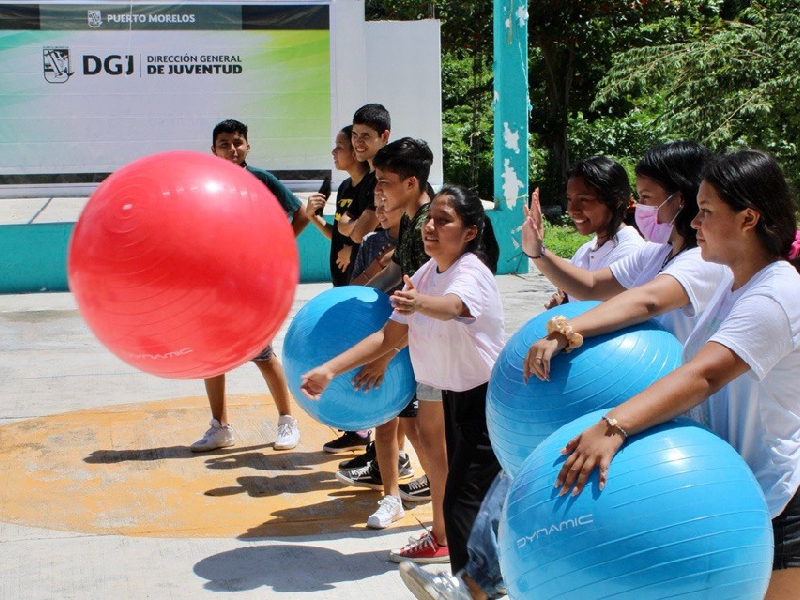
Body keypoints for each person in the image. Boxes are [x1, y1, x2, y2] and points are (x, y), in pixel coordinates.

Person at [398, 141, 728, 599]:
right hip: (621, 398)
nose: (644, 207)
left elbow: (645, 301)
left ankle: (481, 582)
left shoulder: (698, 263)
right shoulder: (657, 255)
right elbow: (592, 285)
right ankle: (476, 582)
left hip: (665, 407)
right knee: (522, 487)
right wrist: (537, 254)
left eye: (650, 198)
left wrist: (564, 330)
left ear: (685, 196)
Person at [550, 150, 800, 600]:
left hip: (776, 500)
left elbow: (705, 375)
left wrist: (614, 427)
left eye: (705, 211)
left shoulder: (776, 293)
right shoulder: (730, 282)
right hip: (727, 490)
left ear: (749, 218)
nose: (694, 221)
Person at [301, 185, 504, 575]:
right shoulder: (428, 273)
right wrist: (330, 370)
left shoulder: (470, 271)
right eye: (430, 219)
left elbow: (454, 307)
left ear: (470, 232)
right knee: (465, 496)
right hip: (455, 397)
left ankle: (475, 581)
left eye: (444, 221)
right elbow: (387, 337)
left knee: (464, 499)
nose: (430, 227)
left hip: (486, 400)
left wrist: (419, 303)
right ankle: (475, 576)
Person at [335, 138, 434, 538]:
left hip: (428, 347)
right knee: (387, 418)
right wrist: (355, 301)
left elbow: (423, 298)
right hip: (406, 337)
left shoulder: (431, 223)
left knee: (423, 432)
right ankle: (391, 496)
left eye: (384, 182)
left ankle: (448, 515)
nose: (377, 190)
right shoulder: (410, 221)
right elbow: (394, 274)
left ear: (410, 183)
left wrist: (385, 352)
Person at [190, 119, 308, 453]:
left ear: (247, 146)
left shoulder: (261, 179)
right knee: (212, 356)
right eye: (224, 143)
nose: (232, 148)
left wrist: (276, 246)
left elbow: (299, 215)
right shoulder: (201, 182)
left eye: (238, 142)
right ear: (213, 149)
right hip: (214, 283)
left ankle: (287, 421)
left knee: (262, 352)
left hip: (253, 283)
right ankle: (220, 427)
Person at [322, 103, 392, 455]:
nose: (356, 143)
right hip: (354, 283)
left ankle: (383, 454)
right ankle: (369, 445)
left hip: (380, 286)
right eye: (355, 136)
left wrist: (352, 234)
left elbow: (363, 227)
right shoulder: (355, 183)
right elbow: (347, 230)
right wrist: (342, 230)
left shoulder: (378, 174)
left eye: (365, 136)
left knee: (381, 368)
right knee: (366, 365)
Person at [306, 125, 370, 287]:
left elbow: (378, 233)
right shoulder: (344, 187)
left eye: (340, 147)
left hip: (362, 282)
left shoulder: (372, 186)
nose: (334, 152)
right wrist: (313, 217)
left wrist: (353, 251)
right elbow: (337, 235)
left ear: (355, 153)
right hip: (341, 281)